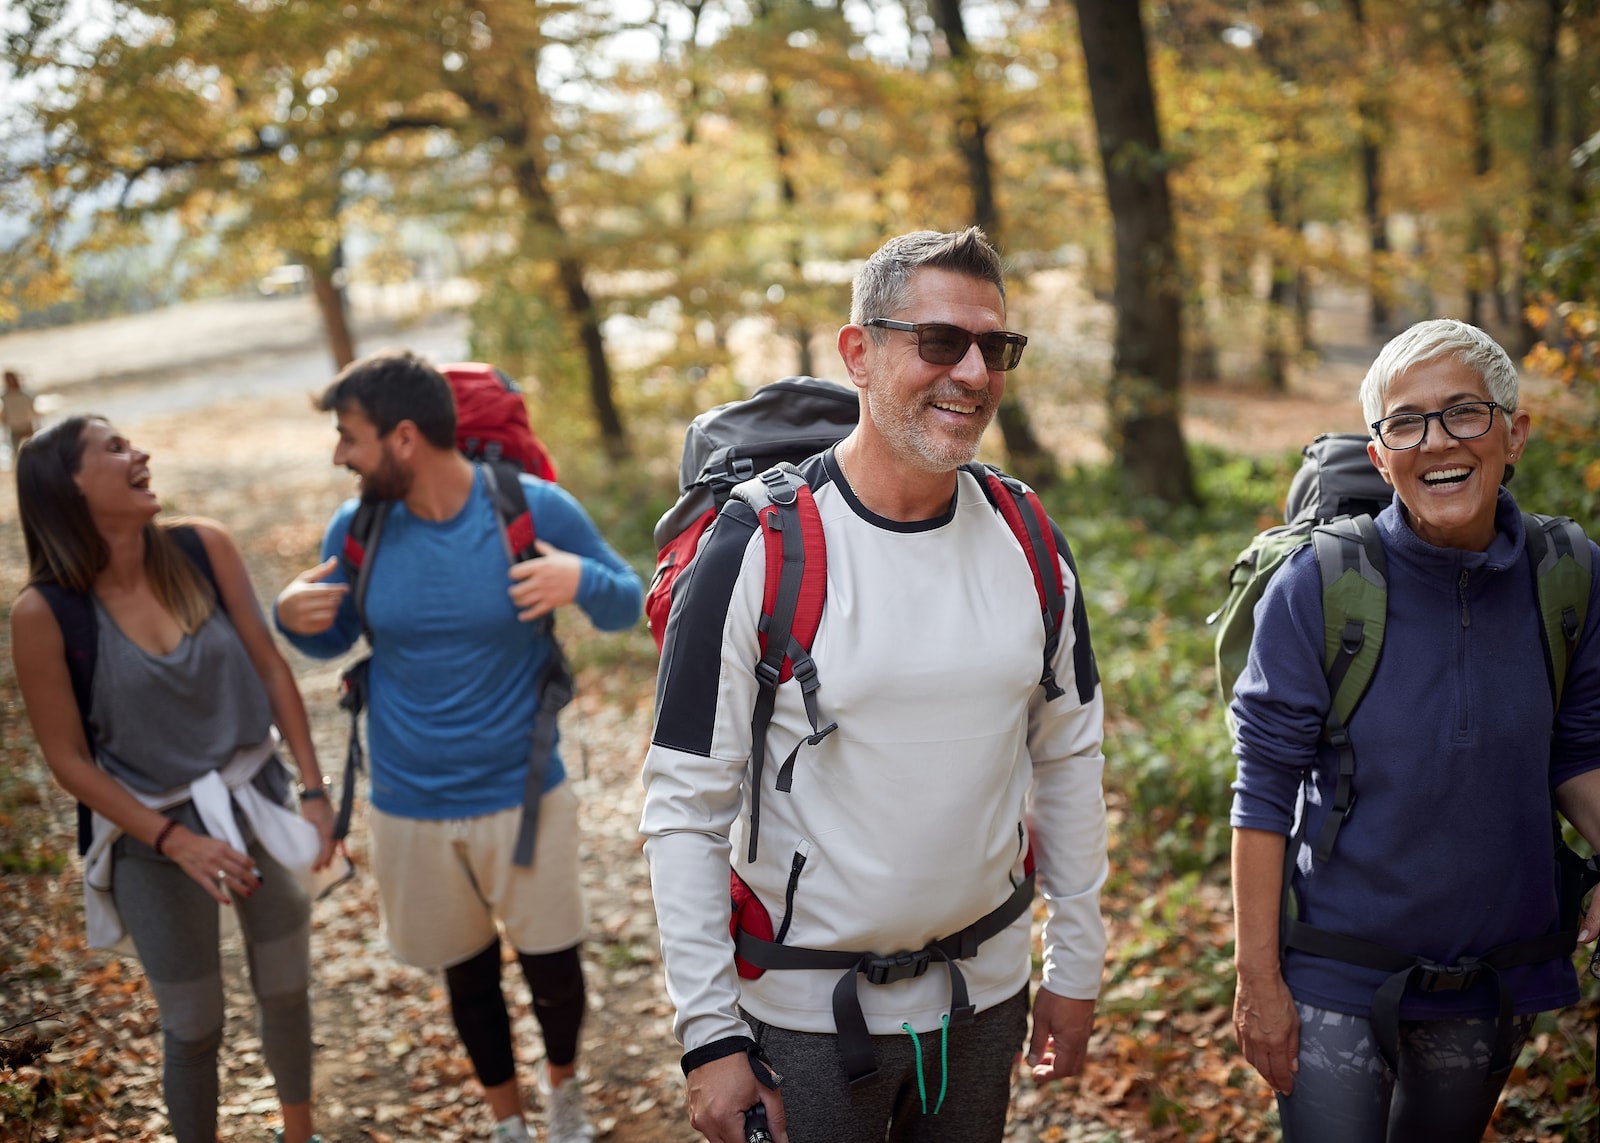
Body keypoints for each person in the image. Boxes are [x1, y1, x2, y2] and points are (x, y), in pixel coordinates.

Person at [641, 228, 1109, 1143]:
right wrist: (708, 1037)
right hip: (804, 1015)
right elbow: (682, 803)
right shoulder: (759, 545)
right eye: (940, 342)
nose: (972, 373)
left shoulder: (1029, 537)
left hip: (985, 1000)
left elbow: (1070, 754)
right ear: (858, 351)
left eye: (995, 347)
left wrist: (1075, 968)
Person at [1229, 318, 1600, 1141]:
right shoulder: (1317, 586)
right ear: (1379, 454)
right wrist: (1258, 979)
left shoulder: (1568, 576)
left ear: (1515, 431)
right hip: (1335, 971)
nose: (1438, 441)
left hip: (1491, 980)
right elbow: (1264, 790)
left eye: (1464, 411)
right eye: (1406, 422)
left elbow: (1576, 748)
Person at [273, 349, 643, 1143]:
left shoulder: (530, 507)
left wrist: (579, 578)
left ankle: (564, 1094)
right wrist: (288, 612)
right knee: (465, 972)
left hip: (525, 793)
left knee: (553, 968)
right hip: (409, 802)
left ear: (404, 438)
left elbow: (631, 603)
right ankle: (507, 1122)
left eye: (349, 437)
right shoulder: (359, 527)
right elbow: (333, 633)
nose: (339, 455)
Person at [10, 416, 337, 1143]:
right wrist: (175, 839)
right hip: (147, 839)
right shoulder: (44, 613)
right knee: (194, 1026)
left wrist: (314, 792)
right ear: (69, 483)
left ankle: (300, 1132)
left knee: (285, 990)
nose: (141, 453)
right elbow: (67, 759)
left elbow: (271, 665)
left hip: (256, 801)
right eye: (116, 448)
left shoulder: (201, 547)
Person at [4, 368, 37, 456]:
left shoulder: (25, 394)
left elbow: (33, 409)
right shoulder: (5, 396)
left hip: (27, 426)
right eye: (7, 379)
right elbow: (4, 413)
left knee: (34, 451)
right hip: (14, 428)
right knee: (17, 454)